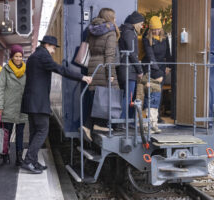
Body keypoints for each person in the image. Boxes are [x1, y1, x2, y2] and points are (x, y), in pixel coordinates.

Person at [20, 35, 92, 174]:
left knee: (35, 131)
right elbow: (61, 70)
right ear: (47, 45)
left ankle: (33, 161)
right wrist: (82, 77)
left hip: (33, 101)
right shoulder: (43, 56)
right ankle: (29, 161)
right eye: (53, 48)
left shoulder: (35, 56)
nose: (53, 51)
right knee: (42, 130)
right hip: (38, 102)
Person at [82, 8, 120, 140]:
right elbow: (109, 54)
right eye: (114, 17)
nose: (115, 19)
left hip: (93, 66)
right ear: (110, 17)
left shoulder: (92, 30)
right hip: (104, 67)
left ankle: (94, 125)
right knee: (107, 96)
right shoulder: (110, 31)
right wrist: (111, 73)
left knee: (99, 98)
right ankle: (94, 125)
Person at [0, 45, 27, 166]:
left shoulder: (26, 70)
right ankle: (5, 155)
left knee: (20, 134)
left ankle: (19, 158)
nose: (18, 59)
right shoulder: (5, 70)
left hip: (22, 107)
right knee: (7, 134)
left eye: (20, 56)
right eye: (16, 56)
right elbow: (0, 89)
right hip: (8, 106)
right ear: (12, 57)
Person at [140, 16, 172, 133]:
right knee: (150, 94)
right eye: (153, 29)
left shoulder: (165, 37)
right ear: (150, 29)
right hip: (150, 67)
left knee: (158, 94)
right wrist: (158, 72)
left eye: (158, 29)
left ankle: (155, 120)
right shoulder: (146, 38)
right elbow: (150, 55)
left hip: (161, 68)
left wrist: (168, 66)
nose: (156, 31)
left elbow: (168, 52)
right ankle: (148, 122)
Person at [116, 11, 144, 130]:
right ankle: (121, 122)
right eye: (141, 24)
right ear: (136, 23)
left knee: (127, 96)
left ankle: (127, 121)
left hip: (126, 69)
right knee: (128, 96)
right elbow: (132, 54)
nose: (142, 26)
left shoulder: (126, 31)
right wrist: (139, 70)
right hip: (128, 69)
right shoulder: (129, 33)